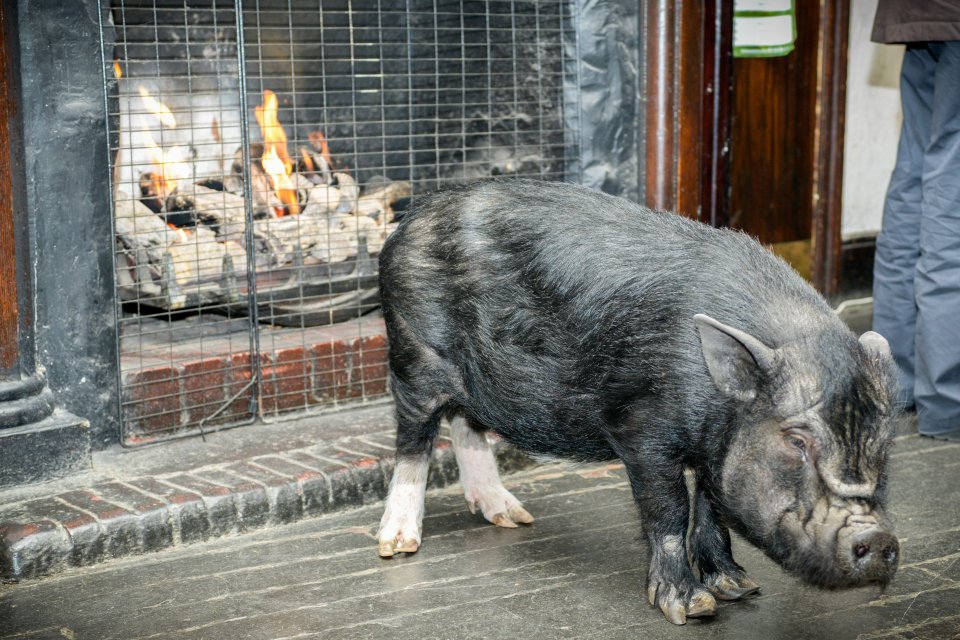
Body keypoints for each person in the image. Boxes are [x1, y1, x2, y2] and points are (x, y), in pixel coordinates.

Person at [871, 1, 960, 441]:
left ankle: (894, 381)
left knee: (916, 177)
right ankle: (948, 398)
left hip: (918, 10)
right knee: (952, 193)